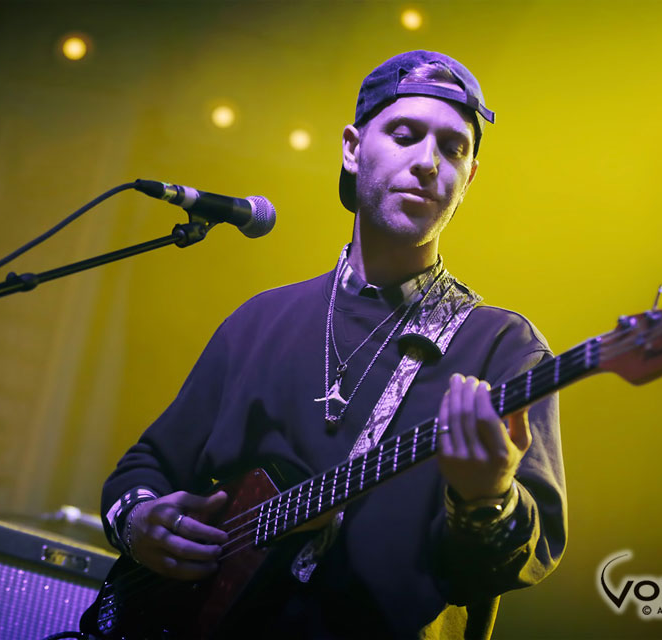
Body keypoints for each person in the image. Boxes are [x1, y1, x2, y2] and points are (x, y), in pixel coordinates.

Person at [95, 50, 566, 639]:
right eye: (404, 133)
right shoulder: (261, 319)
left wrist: (489, 498)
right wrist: (138, 520)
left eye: (453, 148)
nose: (427, 162)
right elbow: (146, 465)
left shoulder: (500, 347)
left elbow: (528, 555)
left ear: (468, 178)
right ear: (351, 147)